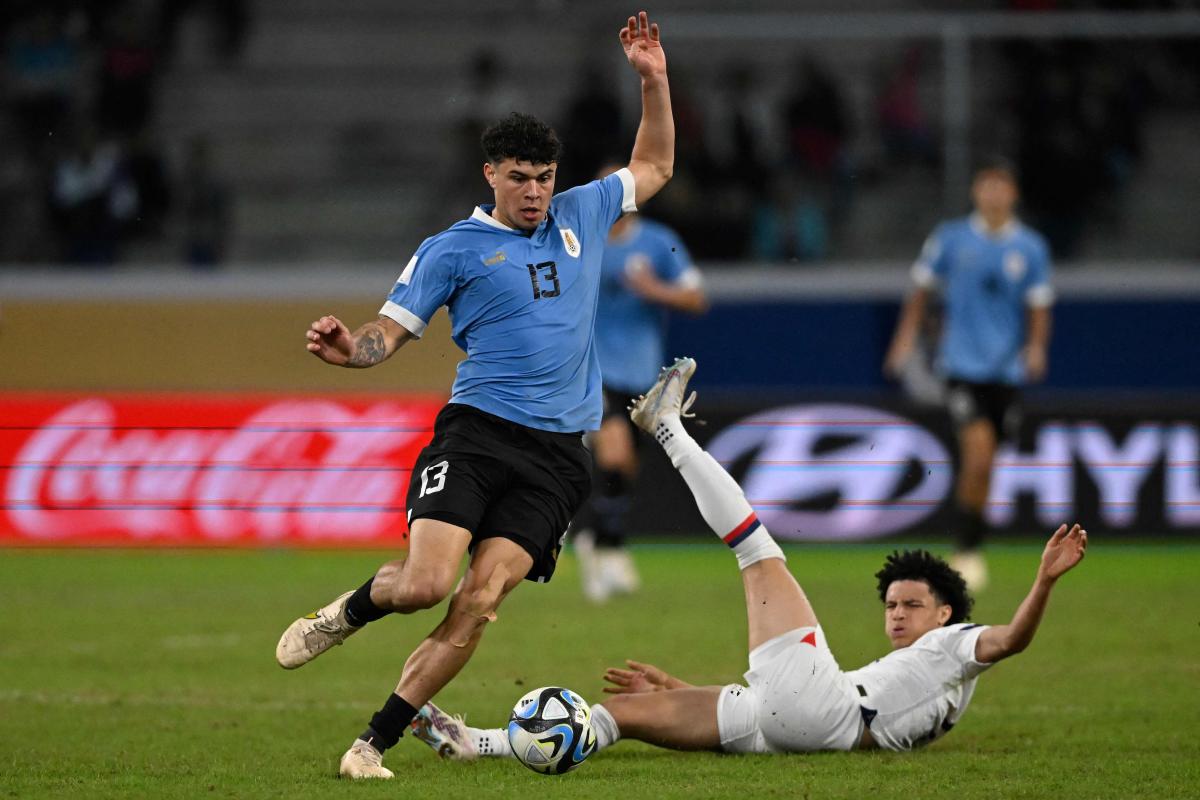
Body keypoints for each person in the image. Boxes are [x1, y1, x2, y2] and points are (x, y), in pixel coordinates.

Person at [274, 11, 674, 780]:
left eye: (544, 177)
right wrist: (344, 352)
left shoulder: (582, 213)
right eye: (519, 177)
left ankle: (371, 743)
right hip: (479, 434)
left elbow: (654, 164)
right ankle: (346, 613)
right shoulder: (450, 249)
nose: (534, 191)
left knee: (480, 601)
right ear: (490, 174)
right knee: (425, 585)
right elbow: (384, 336)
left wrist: (653, 81)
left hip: (558, 458)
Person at [408, 357, 1088, 761]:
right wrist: (685, 687)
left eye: (912, 605)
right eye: (892, 606)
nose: (900, 616)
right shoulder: (924, 679)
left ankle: (665, 426)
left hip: (828, 714)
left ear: (946, 611)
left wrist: (1044, 582)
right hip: (798, 721)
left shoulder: (957, 645)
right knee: (624, 716)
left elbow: (1012, 640)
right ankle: (479, 742)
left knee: (757, 548)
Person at [884, 158, 1054, 590]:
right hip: (961, 366)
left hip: (1006, 370)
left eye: (1001, 187)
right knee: (978, 452)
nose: (994, 195)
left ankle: (972, 539)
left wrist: (1036, 348)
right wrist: (904, 339)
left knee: (987, 462)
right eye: (987, 187)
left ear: (1012, 194)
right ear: (977, 192)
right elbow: (920, 290)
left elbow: (1038, 305)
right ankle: (967, 550)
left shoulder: (1030, 248)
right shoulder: (952, 239)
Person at [574, 169, 707, 602]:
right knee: (614, 448)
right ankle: (609, 549)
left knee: (626, 466)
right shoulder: (579, 241)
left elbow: (695, 299)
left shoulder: (657, 241)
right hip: (592, 370)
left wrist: (654, 290)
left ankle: (596, 538)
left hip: (642, 375)